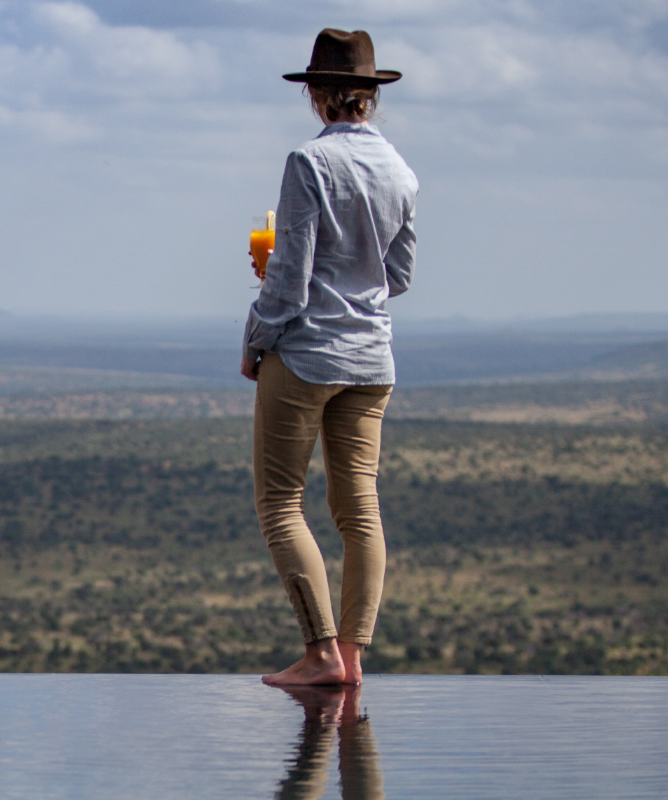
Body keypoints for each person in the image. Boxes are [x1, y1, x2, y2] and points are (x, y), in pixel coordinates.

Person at [241, 28, 415, 687]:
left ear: (316, 95)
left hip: (308, 353)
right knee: (360, 509)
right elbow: (399, 275)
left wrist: (258, 336)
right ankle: (354, 655)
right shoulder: (401, 171)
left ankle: (318, 653)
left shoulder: (307, 163)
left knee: (281, 502)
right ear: (370, 96)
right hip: (373, 358)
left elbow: (289, 277)